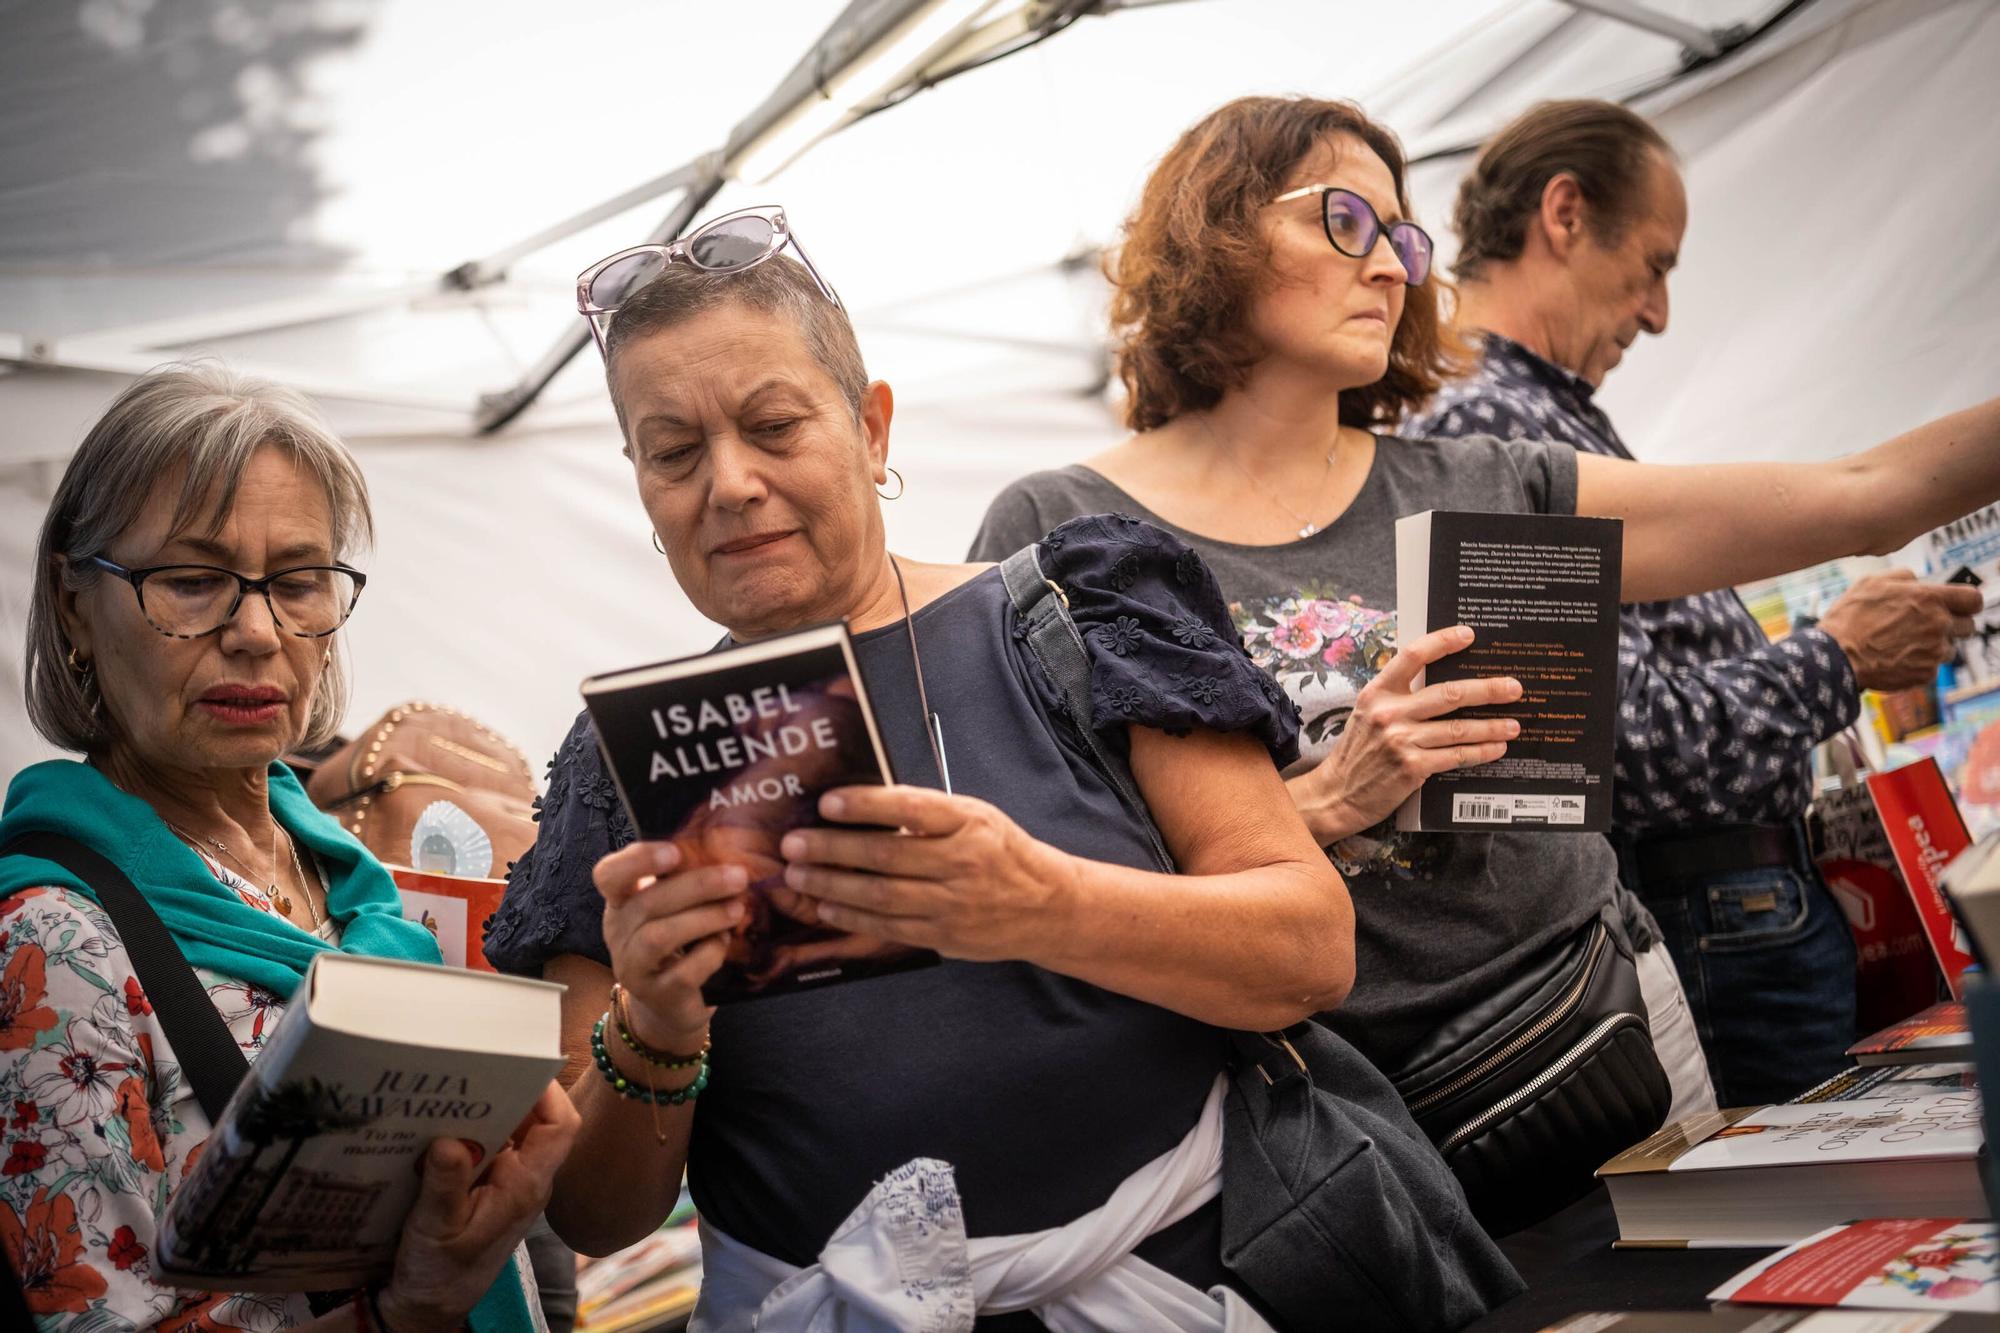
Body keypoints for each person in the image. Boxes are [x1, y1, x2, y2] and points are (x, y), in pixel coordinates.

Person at [969, 95, 2000, 1142]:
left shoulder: (1478, 483)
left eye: (1399, 237)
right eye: (1343, 221)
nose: (1388, 265)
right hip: (1339, 1115)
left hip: (1598, 1029)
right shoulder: (1061, 526)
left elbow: (1862, 492)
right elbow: (1038, 890)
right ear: (1214, 229)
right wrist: (1320, 802)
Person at [480, 223, 1356, 1331]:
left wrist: (1042, 903)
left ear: (869, 423)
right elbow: (595, 1213)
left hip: (1180, 1285)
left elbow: (1308, 950)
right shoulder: (621, 767)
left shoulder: (1078, 613)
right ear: (643, 488)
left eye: (773, 425)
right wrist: (655, 1022)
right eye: (674, 451)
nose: (731, 484)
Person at [1403, 99, 1981, 1107]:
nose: (1658, 312)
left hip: (1728, 908)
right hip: (1710, 911)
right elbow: (1619, 746)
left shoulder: (1530, 417)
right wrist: (1835, 657)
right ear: (1564, 212)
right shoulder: (1489, 422)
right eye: (1655, 263)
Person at [0, 365, 579, 1332]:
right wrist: (405, 1312)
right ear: (72, 603)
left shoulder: (358, 877)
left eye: (299, 583)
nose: (259, 633)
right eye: (191, 583)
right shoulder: (54, 946)